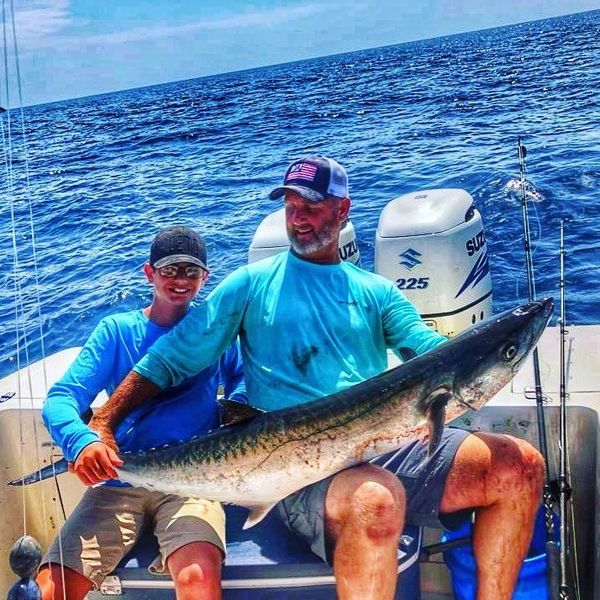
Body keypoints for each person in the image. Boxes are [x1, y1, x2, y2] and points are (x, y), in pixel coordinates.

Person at [87, 156, 545, 600]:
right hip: (293, 466)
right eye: (290, 206)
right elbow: (170, 359)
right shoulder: (250, 284)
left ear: (342, 209)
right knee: (376, 501)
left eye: (311, 205)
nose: (298, 218)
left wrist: (484, 364)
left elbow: (431, 354)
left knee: (520, 466)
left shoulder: (377, 292)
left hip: (386, 444)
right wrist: (106, 420)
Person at [37, 226, 246, 600]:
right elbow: (61, 398)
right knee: (52, 589)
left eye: (191, 271)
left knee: (198, 577)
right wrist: (82, 441)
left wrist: (236, 418)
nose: (180, 281)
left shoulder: (215, 331)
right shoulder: (116, 331)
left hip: (193, 482)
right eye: (169, 270)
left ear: (205, 278)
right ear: (149, 273)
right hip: (119, 482)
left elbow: (242, 376)